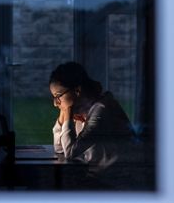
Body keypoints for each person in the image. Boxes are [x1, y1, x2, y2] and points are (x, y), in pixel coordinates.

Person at [50, 61, 135, 189]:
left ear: (77, 90)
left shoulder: (102, 109)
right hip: (99, 178)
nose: (55, 103)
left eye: (58, 96)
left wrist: (67, 112)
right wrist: (63, 114)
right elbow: (59, 149)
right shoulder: (83, 109)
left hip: (117, 184)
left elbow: (70, 152)